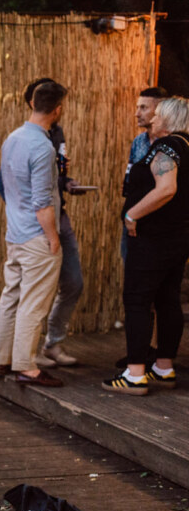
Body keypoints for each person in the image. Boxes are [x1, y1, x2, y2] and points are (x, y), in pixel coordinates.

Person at [104, 96, 189, 395]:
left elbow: (167, 188)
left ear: (170, 119)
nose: (153, 118)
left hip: (153, 239)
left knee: (138, 300)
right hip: (177, 238)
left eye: (158, 114)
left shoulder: (168, 147)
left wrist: (132, 214)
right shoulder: (187, 146)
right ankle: (163, 367)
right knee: (167, 298)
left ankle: (135, 373)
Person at [0, 80, 66, 388]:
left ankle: (3, 358)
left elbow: (2, 186)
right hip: (37, 235)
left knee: (11, 296)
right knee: (34, 303)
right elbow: (42, 203)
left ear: (33, 104)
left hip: (15, 233)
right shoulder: (42, 146)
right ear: (58, 109)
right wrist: (53, 238)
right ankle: (26, 366)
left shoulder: (13, 138)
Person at [13, 78, 88, 370]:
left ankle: (52, 342)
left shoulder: (55, 134)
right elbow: (18, 189)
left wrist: (66, 183)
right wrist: (47, 230)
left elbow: (51, 178)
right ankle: (27, 359)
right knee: (35, 292)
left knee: (72, 283)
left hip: (60, 217)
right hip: (40, 224)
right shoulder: (28, 140)